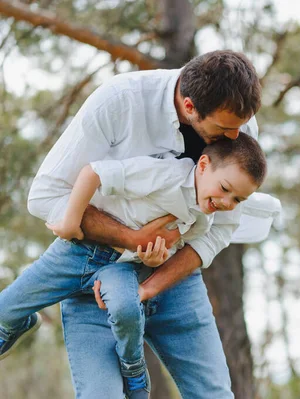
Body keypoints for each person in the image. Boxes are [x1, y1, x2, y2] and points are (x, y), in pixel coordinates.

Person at [23, 50, 275, 398]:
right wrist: (132, 237)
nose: (236, 137)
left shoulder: (238, 124)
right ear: (190, 107)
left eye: (240, 128)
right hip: (95, 278)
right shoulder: (120, 101)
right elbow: (46, 196)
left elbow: (220, 230)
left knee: (214, 394)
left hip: (177, 280)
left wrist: (150, 287)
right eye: (225, 129)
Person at [0, 134, 267, 399]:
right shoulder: (165, 175)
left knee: (126, 309)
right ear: (204, 165)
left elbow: (175, 245)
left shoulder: (203, 218)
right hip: (77, 252)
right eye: (225, 189)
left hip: (119, 267)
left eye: (237, 200)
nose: (226, 203)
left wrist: (155, 259)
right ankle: (17, 321)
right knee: (7, 305)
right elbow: (94, 172)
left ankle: (132, 365)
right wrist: (71, 220)